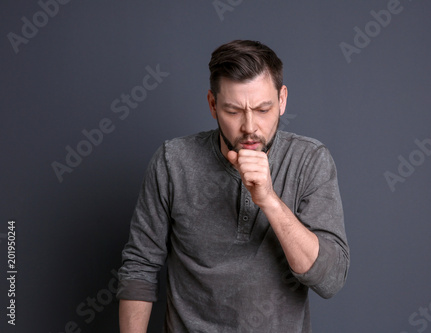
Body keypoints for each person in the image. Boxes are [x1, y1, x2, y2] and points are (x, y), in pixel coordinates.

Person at [117, 39, 349, 332]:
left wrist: (268, 200)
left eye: (263, 109)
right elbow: (140, 267)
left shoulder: (310, 160)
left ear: (282, 100)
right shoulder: (172, 161)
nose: (250, 126)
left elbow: (330, 280)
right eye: (233, 110)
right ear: (213, 105)